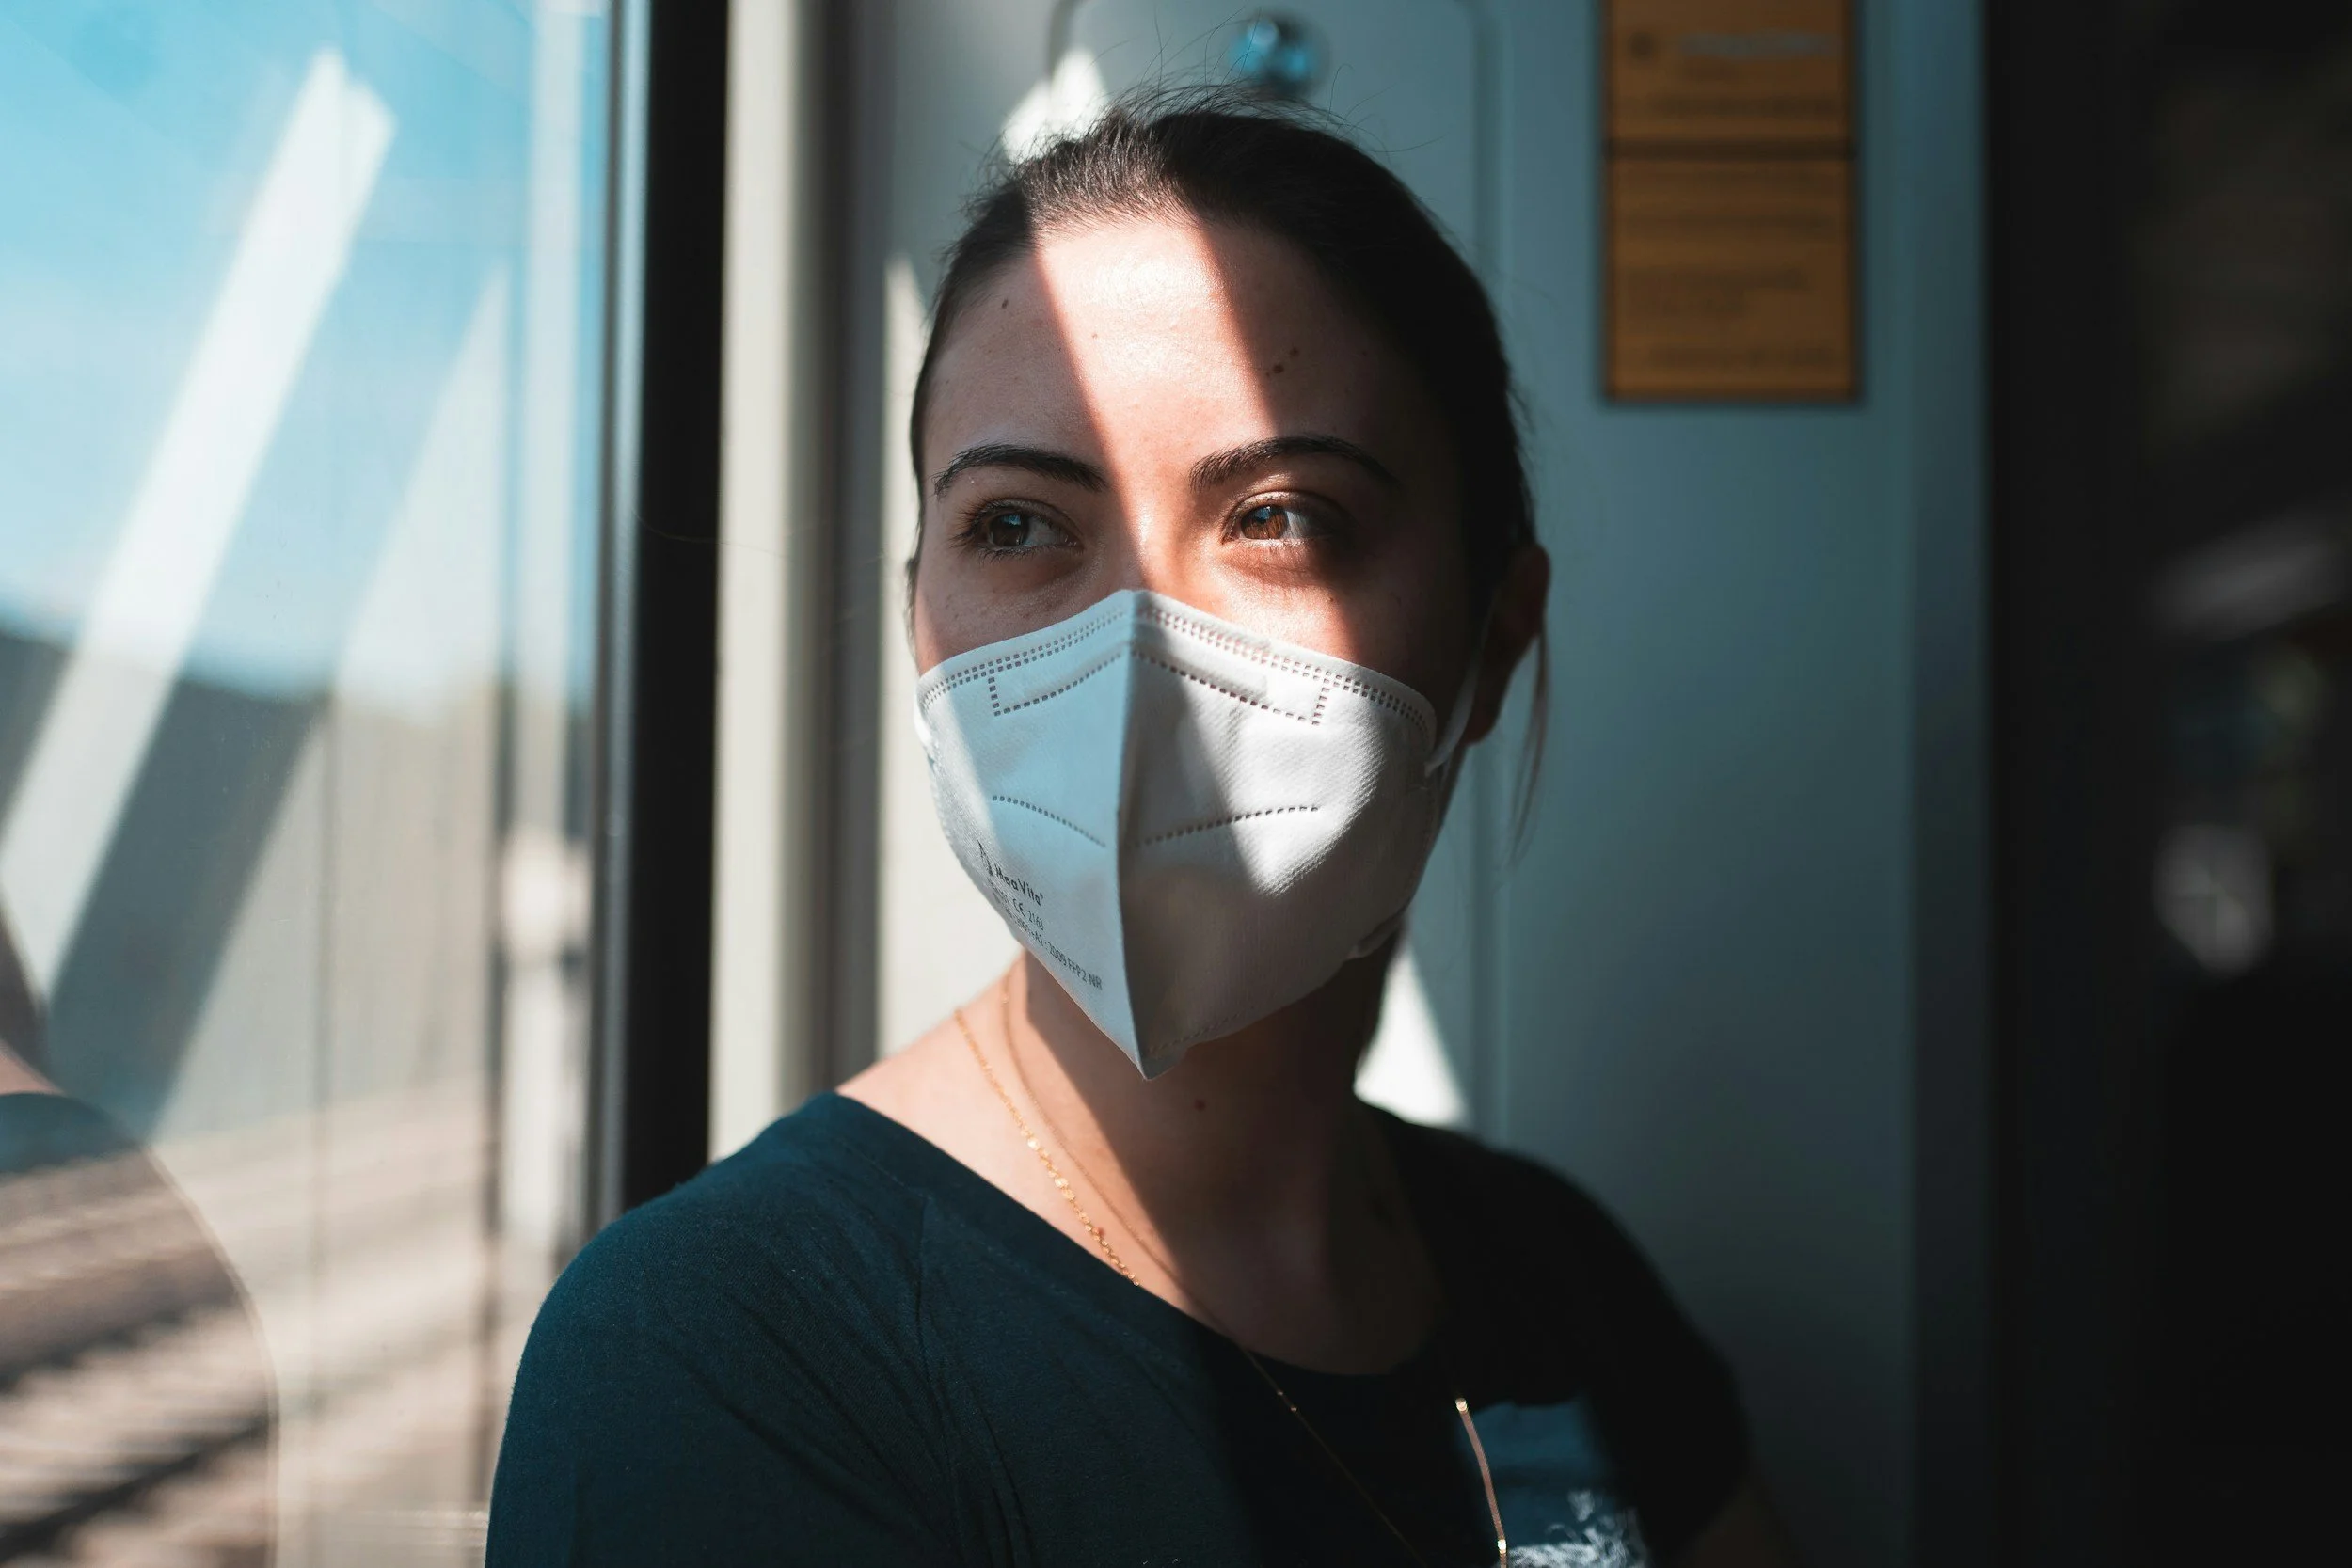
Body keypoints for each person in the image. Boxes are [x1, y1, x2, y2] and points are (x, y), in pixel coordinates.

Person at [490, 99, 1794, 1566]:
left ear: (1494, 637)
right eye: (1019, 526)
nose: (1136, 658)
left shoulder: (1557, 1281)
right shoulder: (725, 1358)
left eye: (1282, 516)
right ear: (923, 616)